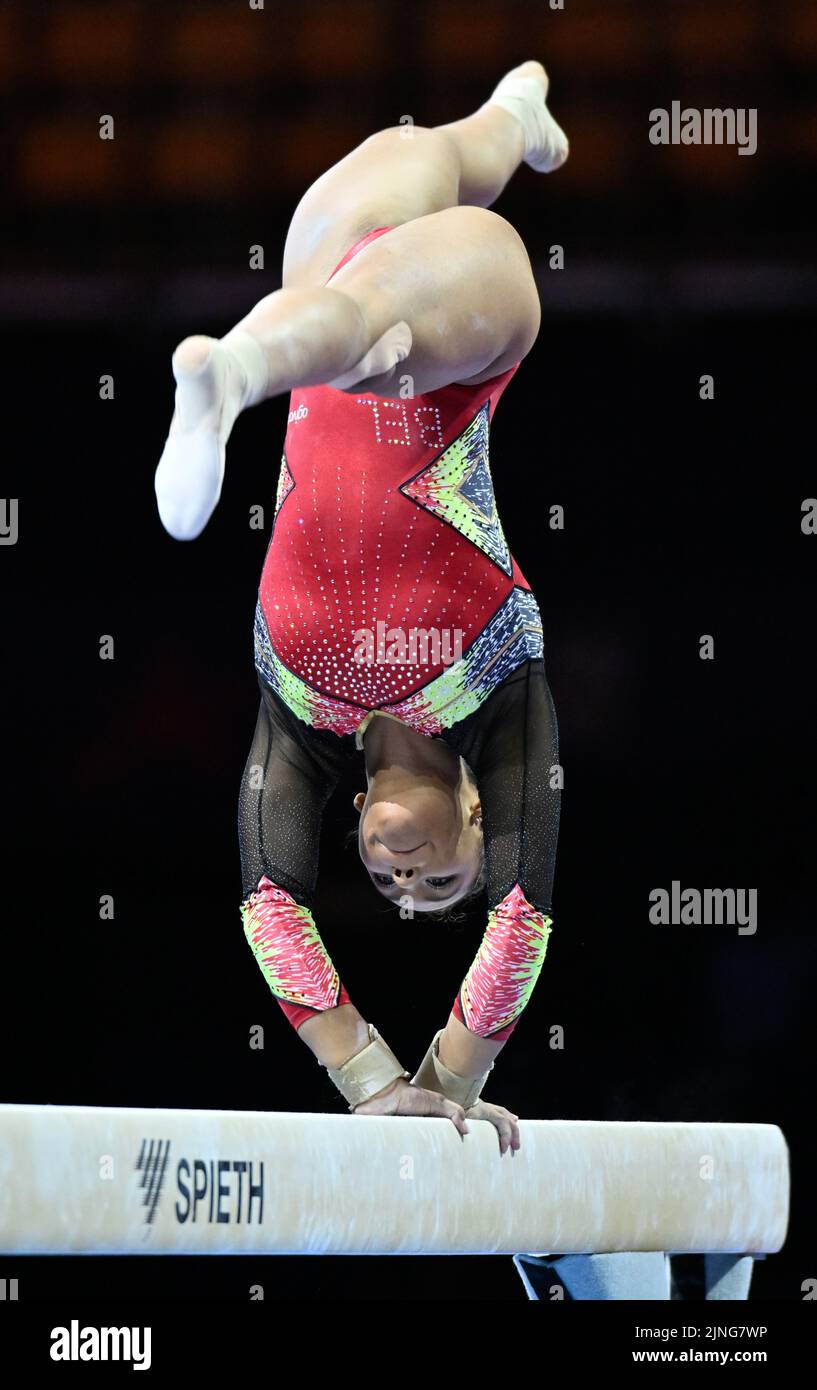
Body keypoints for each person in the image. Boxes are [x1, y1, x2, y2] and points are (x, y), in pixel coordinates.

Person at [155, 62, 567, 1156]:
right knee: (377, 344)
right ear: (478, 816)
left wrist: (369, 1086)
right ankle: (228, 378)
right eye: (439, 880)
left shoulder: (302, 715)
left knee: (416, 198)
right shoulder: (499, 683)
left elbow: (269, 905)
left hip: (318, 281)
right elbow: (523, 916)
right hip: (463, 348)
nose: (401, 876)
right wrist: (445, 1082)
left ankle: (511, 120)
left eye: (388, 882)